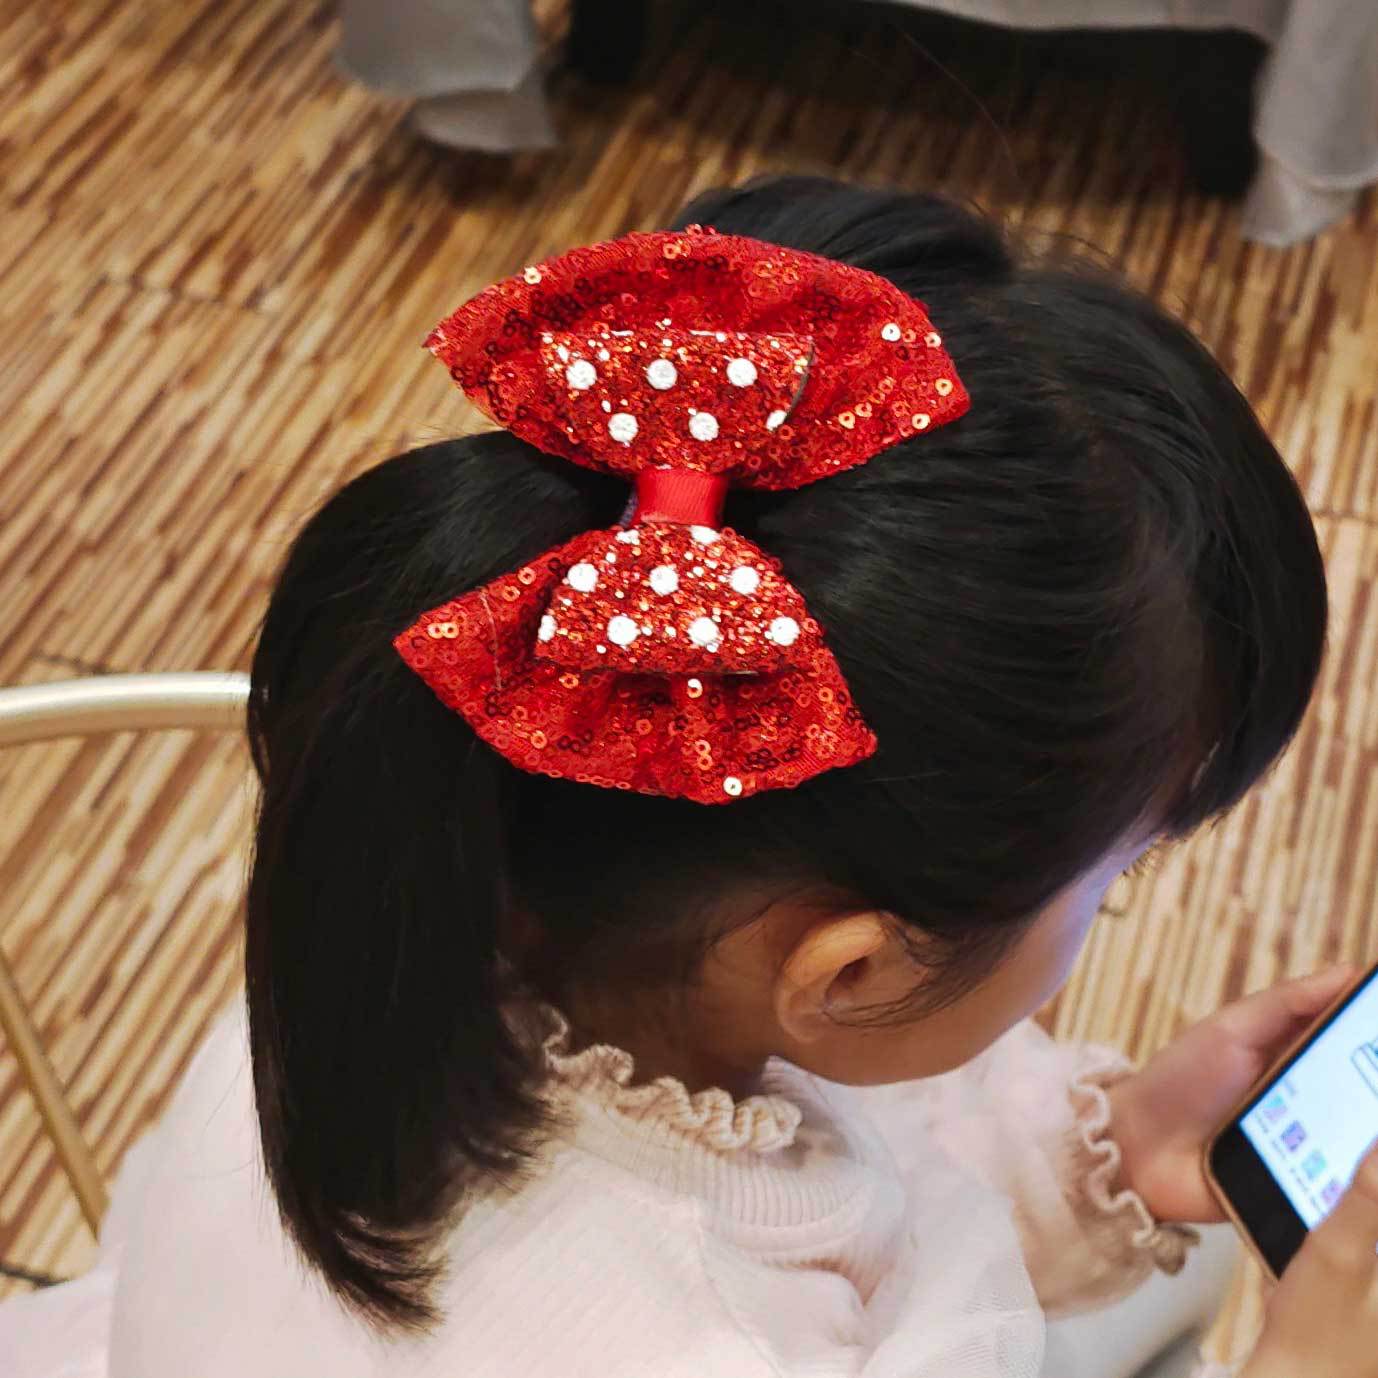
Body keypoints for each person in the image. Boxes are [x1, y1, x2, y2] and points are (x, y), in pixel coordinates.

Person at [6, 176, 1377, 1378]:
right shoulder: (708, 1342)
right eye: (1115, 881)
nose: (1107, 911)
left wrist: (1119, 1147)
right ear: (850, 970)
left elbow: (872, 1148)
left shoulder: (407, 892)